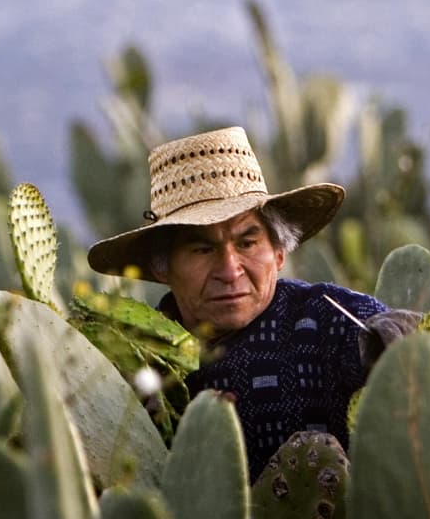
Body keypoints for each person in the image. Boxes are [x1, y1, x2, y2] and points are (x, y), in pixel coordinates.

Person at [87, 125, 403, 482]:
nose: (229, 269)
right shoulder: (134, 361)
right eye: (202, 249)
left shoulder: (329, 320)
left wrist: (409, 345)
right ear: (163, 268)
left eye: (247, 243)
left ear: (279, 252)